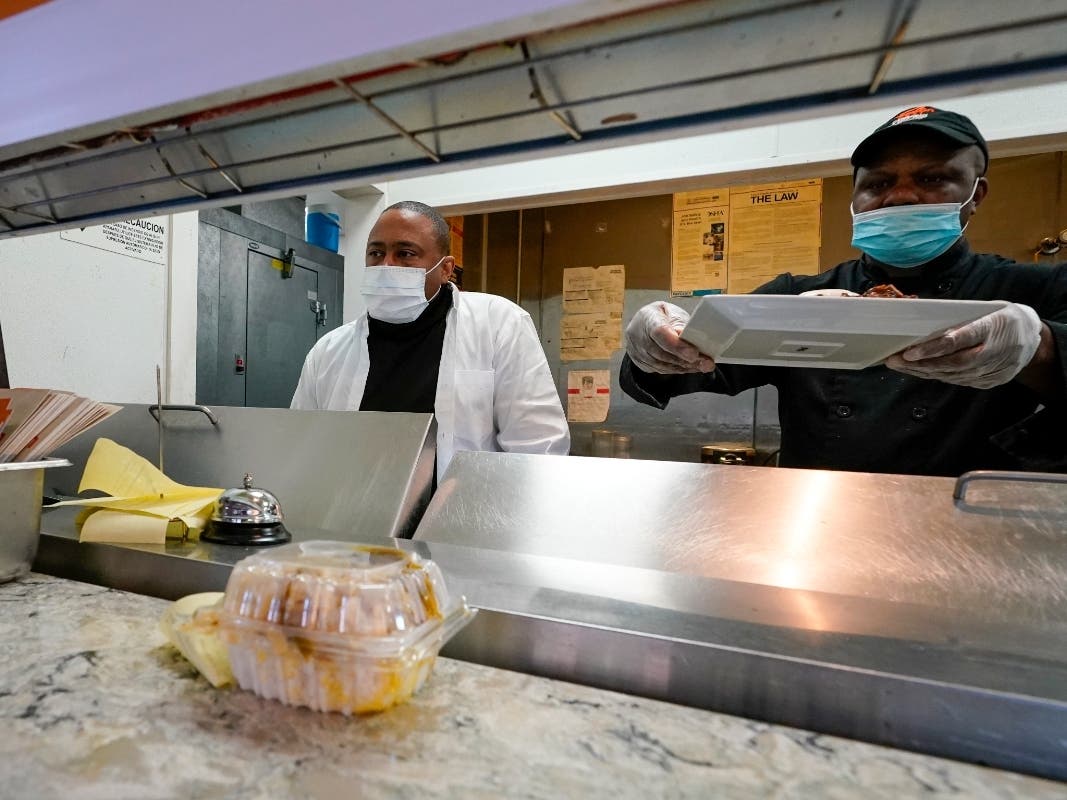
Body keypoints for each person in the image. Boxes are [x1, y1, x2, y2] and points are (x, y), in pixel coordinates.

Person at [621, 106, 1067, 476]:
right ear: (854, 200)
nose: (900, 197)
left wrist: (1041, 348)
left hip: (973, 534)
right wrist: (654, 344)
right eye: (878, 183)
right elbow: (693, 364)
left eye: (931, 179)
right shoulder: (797, 296)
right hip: (820, 529)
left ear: (976, 193)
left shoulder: (1034, 289)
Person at [292, 200, 569, 475]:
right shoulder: (328, 351)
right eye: (376, 253)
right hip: (357, 514)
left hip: (464, 514)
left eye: (406, 253)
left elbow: (537, 450)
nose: (387, 265)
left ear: (446, 269)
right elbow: (302, 448)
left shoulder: (499, 325)